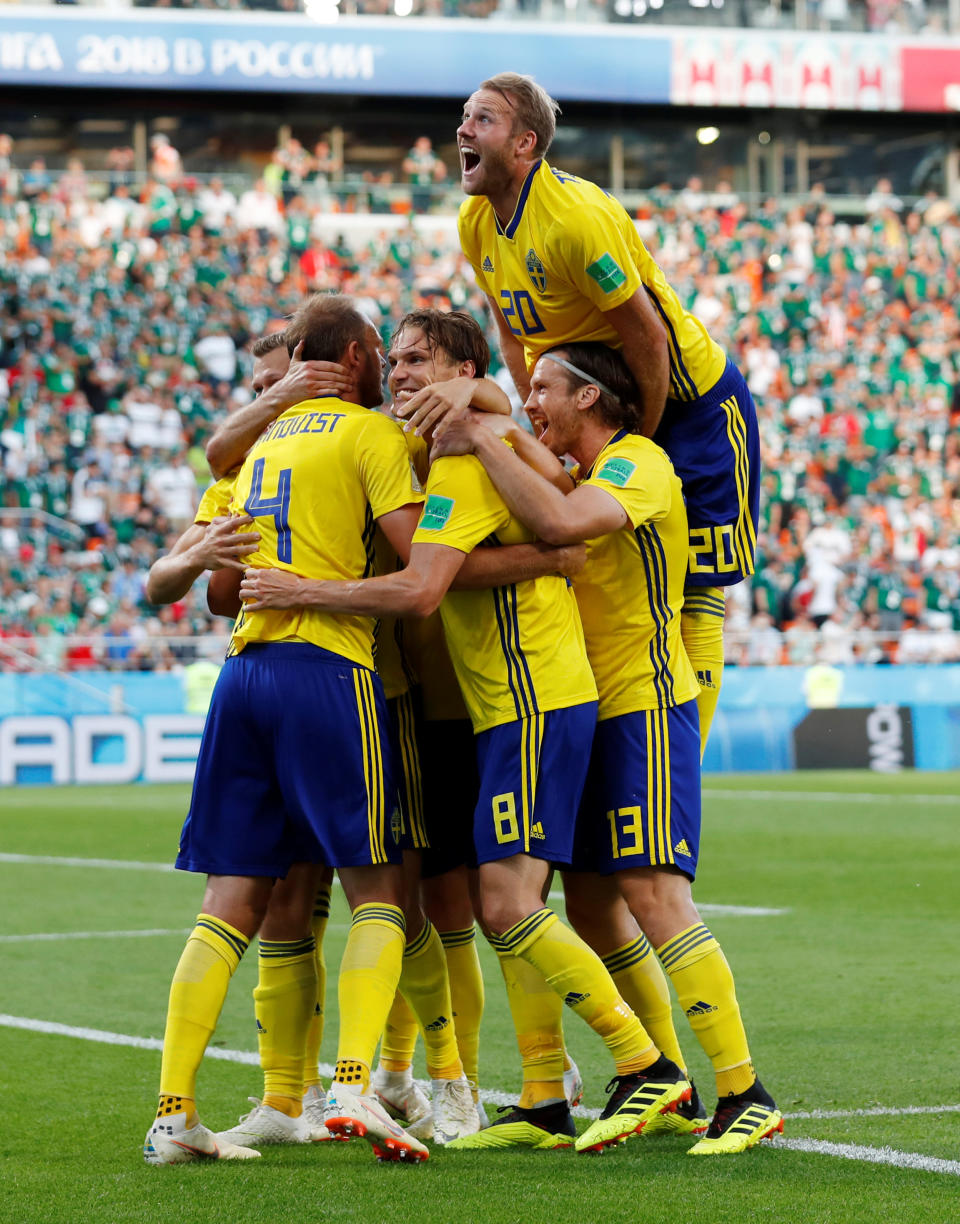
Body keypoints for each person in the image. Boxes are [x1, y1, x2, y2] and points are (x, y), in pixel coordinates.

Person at [239, 313, 693, 1158]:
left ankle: (601, 1071)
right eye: (398, 360)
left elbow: (435, 578)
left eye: (422, 362)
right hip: (426, 701)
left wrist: (301, 590)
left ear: (460, 372)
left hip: (509, 699)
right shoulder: (386, 443)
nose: (405, 374)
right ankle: (506, 1083)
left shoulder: (478, 444)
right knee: (448, 905)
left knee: (486, 904)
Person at [432, 341, 782, 1155]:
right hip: (590, 707)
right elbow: (544, 487)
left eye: (545, 388)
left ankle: (744, 1090)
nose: (533, 400)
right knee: (588, 902)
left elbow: (561, 527)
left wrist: (485, 432)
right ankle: (651, 1080)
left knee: (654, 893)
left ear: (591, 399)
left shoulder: (641, 465)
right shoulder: (578, 471)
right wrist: (497, 418)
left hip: (646, 702)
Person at [143, 295, 431, 1167]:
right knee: (379, 888)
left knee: (230, 902)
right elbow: (422, 559)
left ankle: (174, 1112)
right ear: (350, 356)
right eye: (378, 351)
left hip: (243, 675)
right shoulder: (369, 435)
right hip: (327, 672)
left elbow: (190, 575)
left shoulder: (252, 447)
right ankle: (353, 1081)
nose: (384, 365)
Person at [449, 71, 761, 754]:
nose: (464, 129)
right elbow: (509, 325)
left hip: (689, 402)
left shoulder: (574, 219)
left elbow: (647, 336)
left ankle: (685, 764)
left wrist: (634, 443)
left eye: (484, 120)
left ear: (526, 143)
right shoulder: (476, 222)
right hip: (599, 401)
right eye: (465, 117)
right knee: (598, 558)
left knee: (700, 584)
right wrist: (537, 405)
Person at [146, 331, 343, 1151]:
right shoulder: (240, 474)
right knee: (370, 892)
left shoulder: (335, 445)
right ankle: (391, 1081)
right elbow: (171, 584)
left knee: (300, 905)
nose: (270, 399)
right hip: (307, 679)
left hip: (314, 683)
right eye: (263, 386)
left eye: (283, 382)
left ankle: (288, 1102)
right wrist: (200, 561)